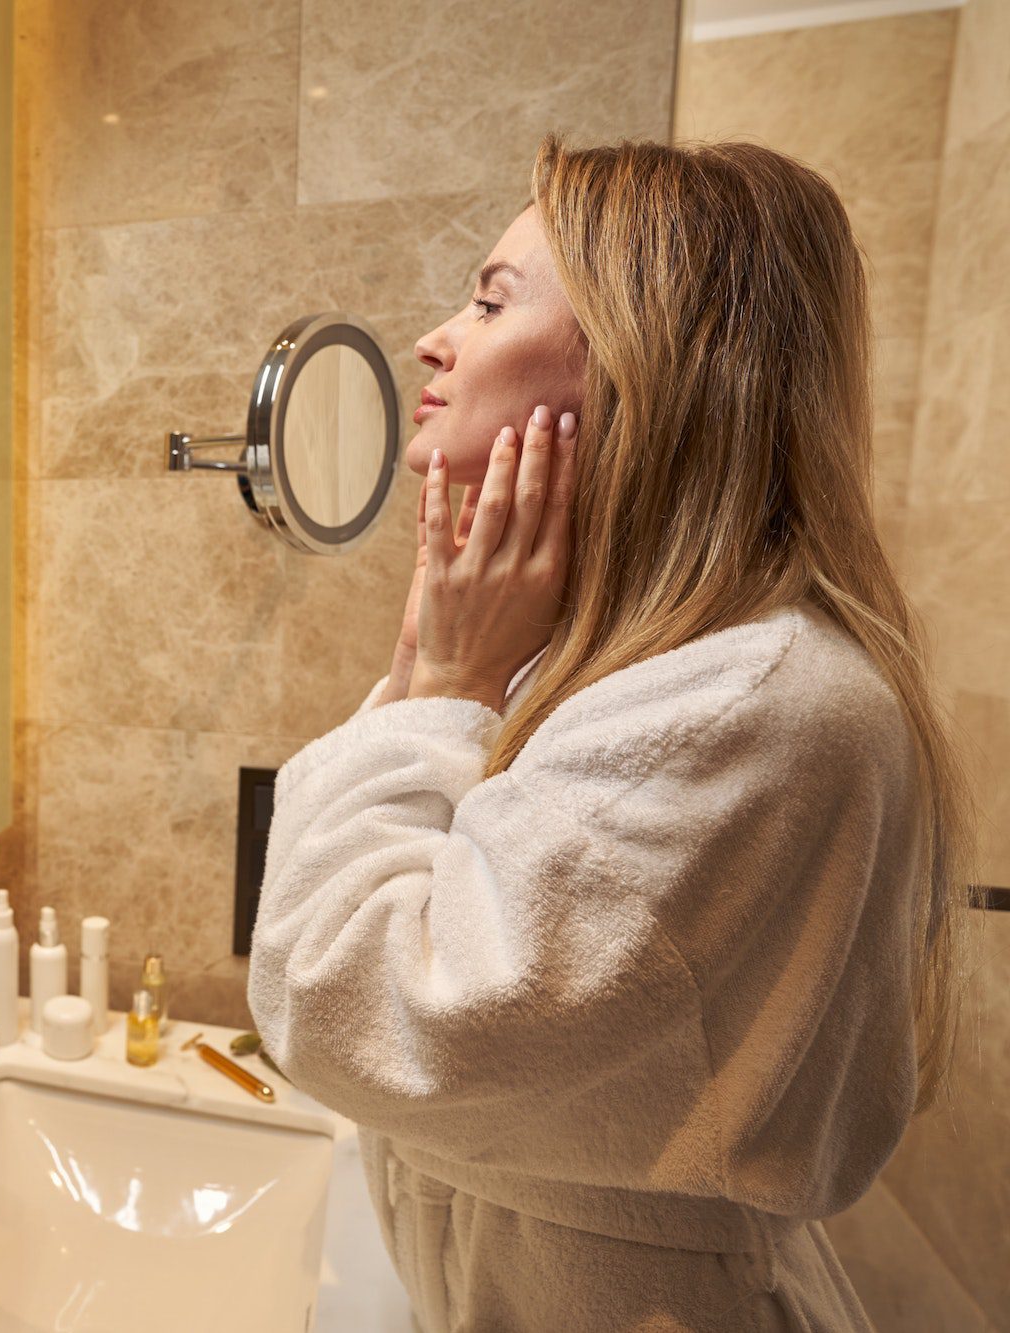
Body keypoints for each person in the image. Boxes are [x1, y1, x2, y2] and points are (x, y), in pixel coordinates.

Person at [246, 135, 979, 1331]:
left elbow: (349, 1008)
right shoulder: (646, 667)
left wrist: (445, 672)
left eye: (487, 301)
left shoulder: (751, 705)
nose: (432, 339)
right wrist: (447, 667)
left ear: (650, 363)